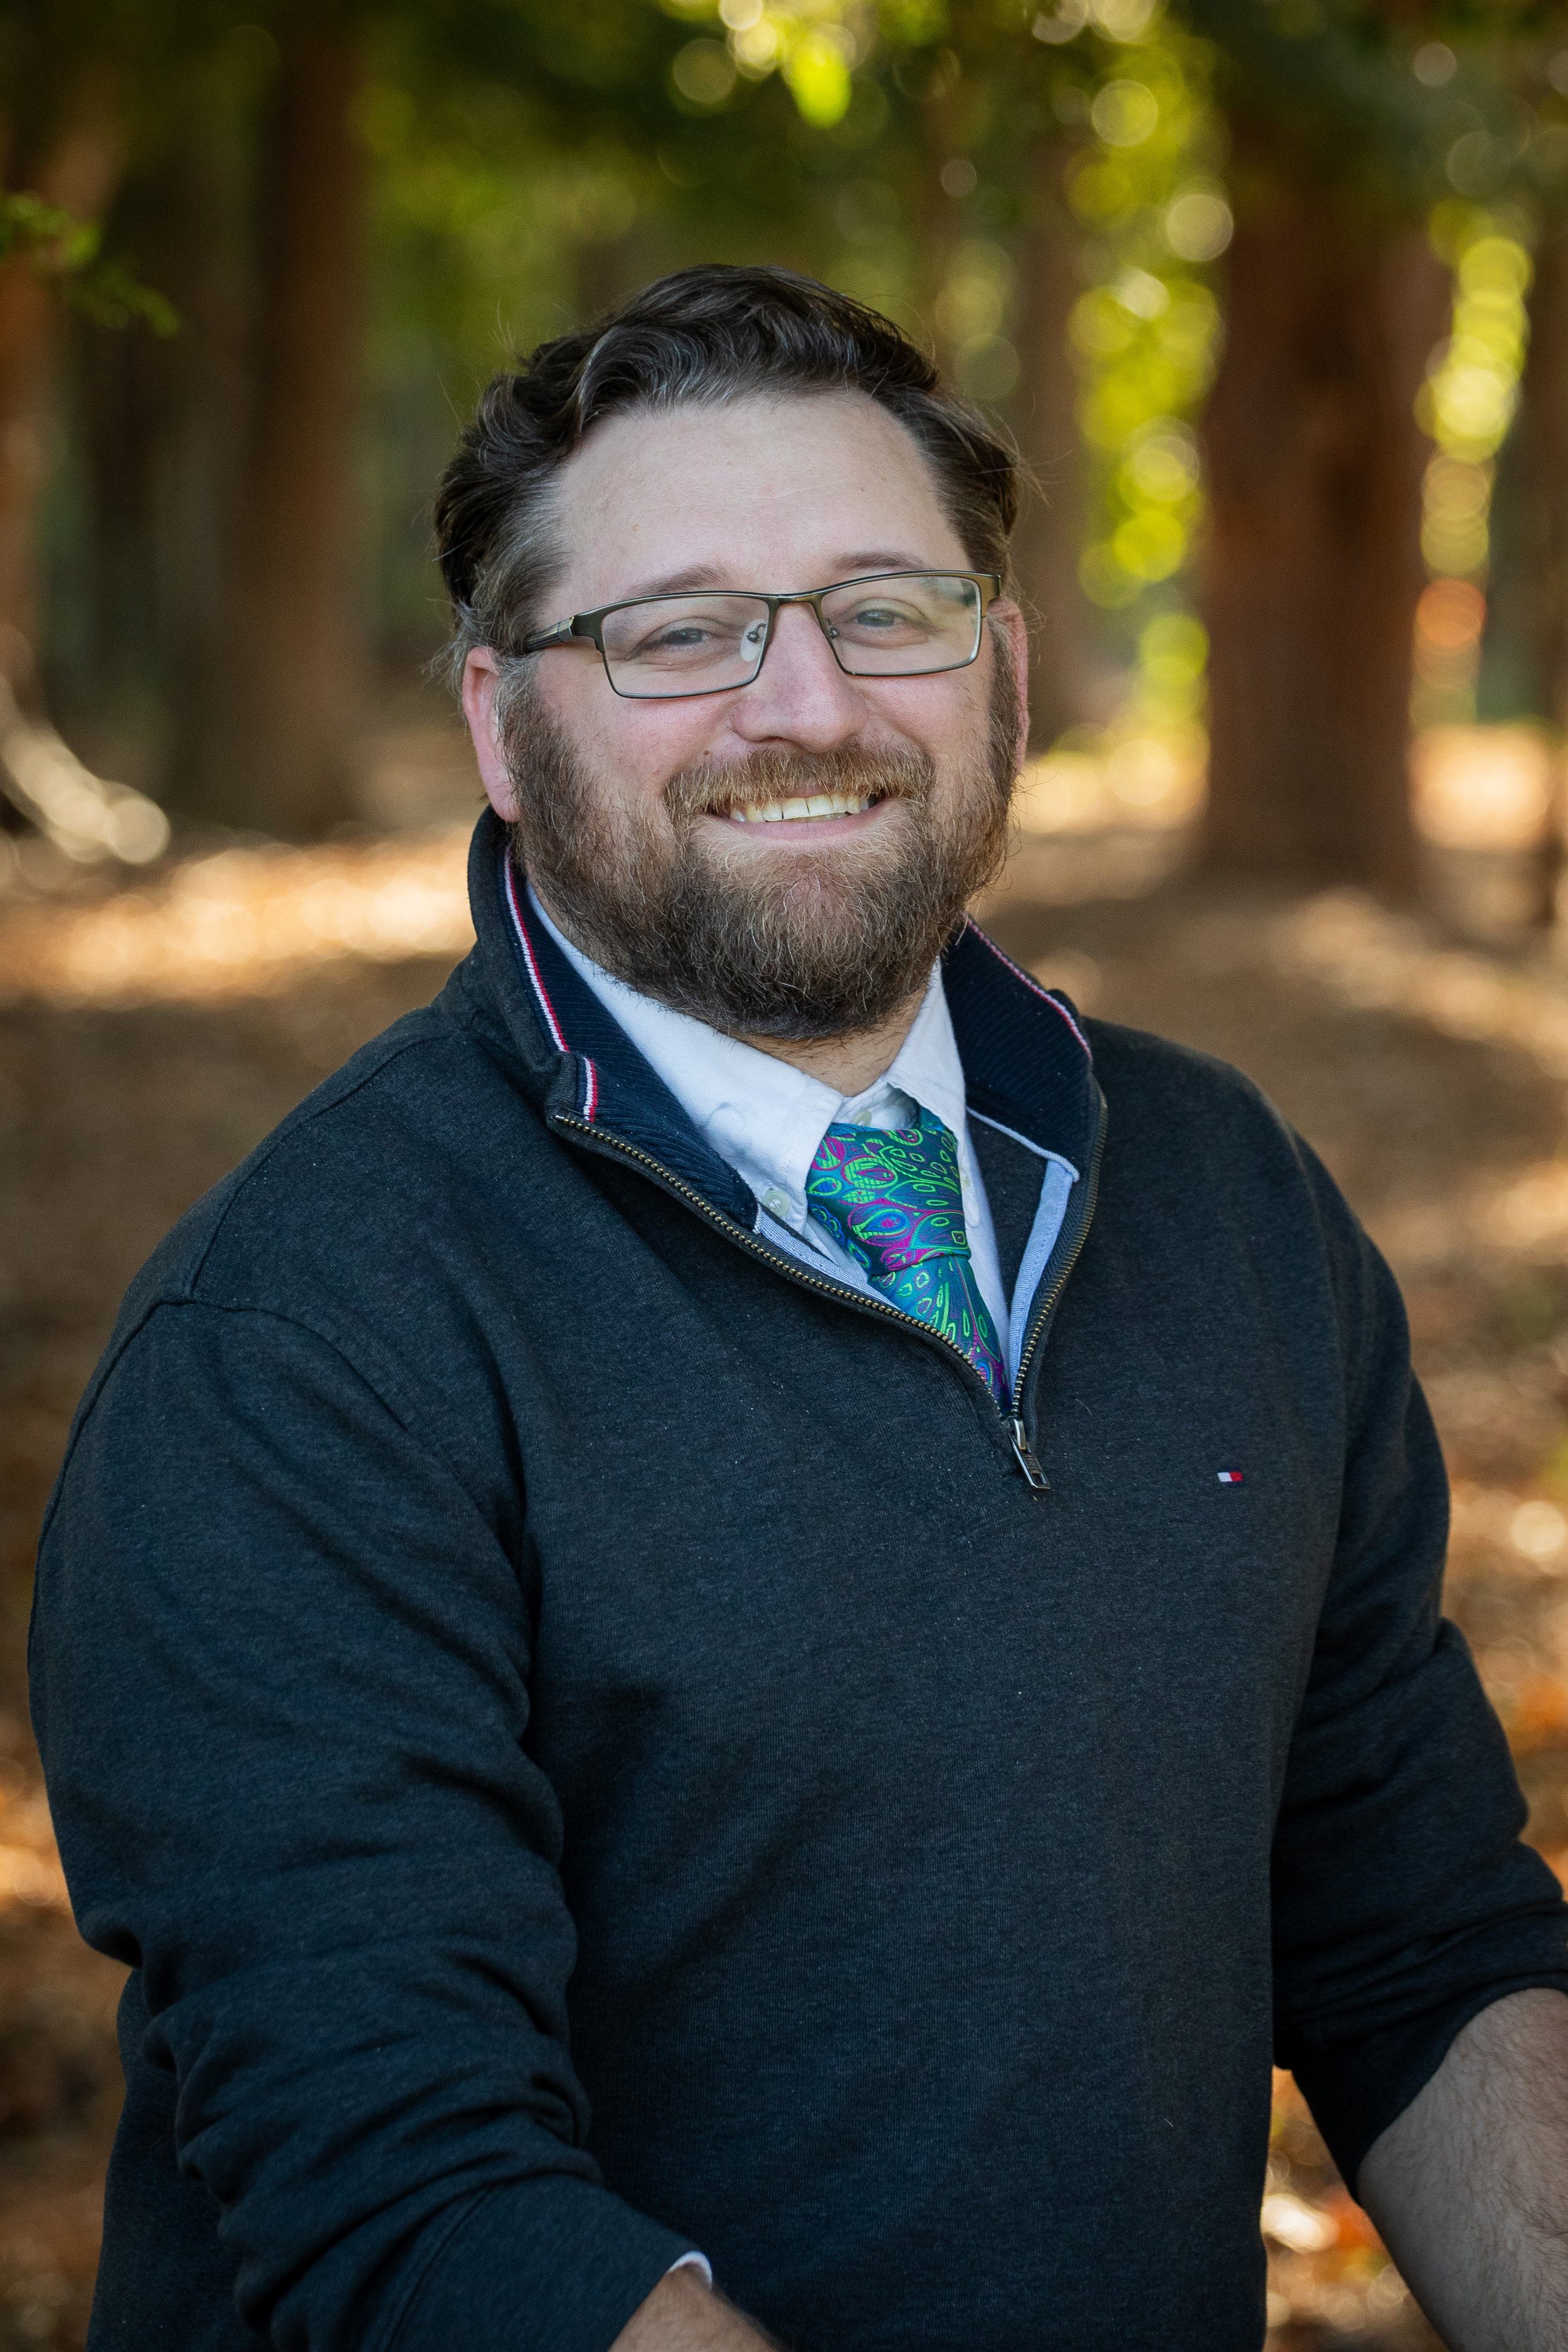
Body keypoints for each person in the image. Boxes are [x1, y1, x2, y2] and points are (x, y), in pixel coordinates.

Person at [29, 262, 1568, 2352]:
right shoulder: (298, 1341)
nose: (808, 706)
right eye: (678, 634)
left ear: (997, 665)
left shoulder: (1229, 1201)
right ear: (500, 722)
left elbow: (1423, 1942)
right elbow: (409, 2201)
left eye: (886, 610)